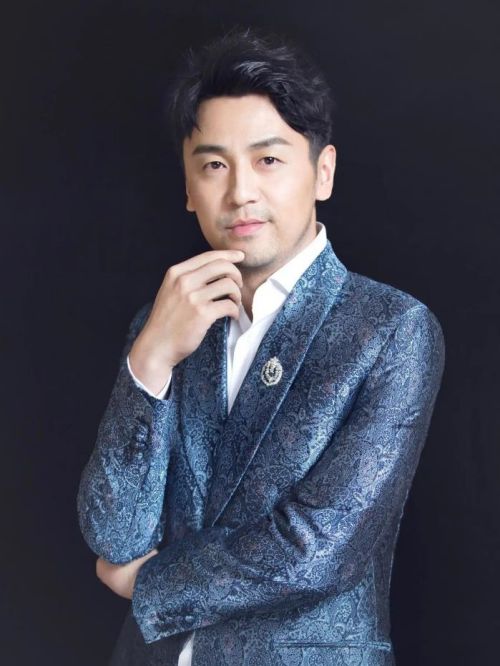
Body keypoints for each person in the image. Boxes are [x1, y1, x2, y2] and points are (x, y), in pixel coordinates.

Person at [77, 25, 445, 666]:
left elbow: (316, 548)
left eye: (268, 160)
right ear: (188, 187)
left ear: (323, 172)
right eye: (214, 165)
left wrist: (151, 584)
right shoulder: (163, 323)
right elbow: (113, 536)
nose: (240, 192)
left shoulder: (392, 329)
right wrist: (150, 359)